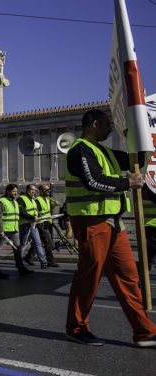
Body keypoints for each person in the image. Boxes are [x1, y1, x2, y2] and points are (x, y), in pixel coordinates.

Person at [64, 108, 156, 347]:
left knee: (128, 276)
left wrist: (140, 135)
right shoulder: (80, 150)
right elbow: (93, 180)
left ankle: (144, 331)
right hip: (91, 221)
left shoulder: (106, 152)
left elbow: (140, 158)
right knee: (89, 277)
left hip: (114, 223)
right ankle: (77, 327)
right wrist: (127, 182)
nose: (109, 129)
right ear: (94, 124)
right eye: (107, 125)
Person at [0, 184, 33, 276]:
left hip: (14, 230)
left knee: (18, 249)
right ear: (7, 191)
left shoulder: (15, 202)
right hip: (4, 230)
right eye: (13, 191)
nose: (15, 193)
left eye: (16, 191)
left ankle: (21, 268)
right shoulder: (1, 201)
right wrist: (0, 229)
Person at [18, 184, 48, 269]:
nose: (33, 191)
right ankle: (19, 261)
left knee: (38, 243)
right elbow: (21, 212)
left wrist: (39, 218)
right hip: (25, 225)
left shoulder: (33, 200)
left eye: (35, 190)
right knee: (23, 244)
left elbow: (36, 212)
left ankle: (43, 261)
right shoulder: (21, 199)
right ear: (27, 190)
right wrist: (32, 217)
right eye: (32, 189)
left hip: (33, 225)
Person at [31, 184, 59, 267]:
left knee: (39, 242)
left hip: (48, 223)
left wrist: (54, 205)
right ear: (41, 191)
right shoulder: (37, 200)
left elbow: (47, 210)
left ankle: (28, 257)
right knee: (48, 242)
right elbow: (37, 212)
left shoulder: (47, 199)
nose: (49, 191)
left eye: (49, 190)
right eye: (47, 190)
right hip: (42, 224)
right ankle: (50, 261)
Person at [143, 185, 156, 270]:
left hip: (149, 226)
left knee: (146, 260)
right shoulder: (149, 184)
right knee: (146, 260)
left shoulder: (147, 183)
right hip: (150, 227)